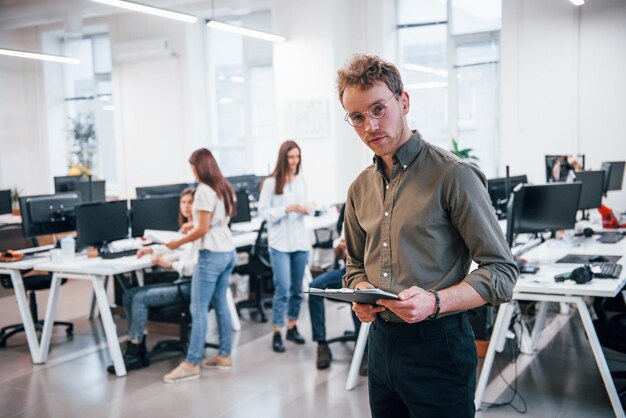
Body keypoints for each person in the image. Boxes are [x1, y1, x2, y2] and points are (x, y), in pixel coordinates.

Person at [337, 54, 518, 417]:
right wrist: (359, 293)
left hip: (439, 347)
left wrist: (434, 302)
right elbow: (355, 265)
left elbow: (501, 273)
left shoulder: (454, 176)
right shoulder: (359, 188)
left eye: (378, 109)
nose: (370, 125)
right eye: (357, 117)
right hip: (382, 346)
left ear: (403, 102)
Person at [162, 148, 237, 383]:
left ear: (199, 167)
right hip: (227, 250)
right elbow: (213, 221)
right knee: (221, 303)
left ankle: (191, 362)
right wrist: (192, 225)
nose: (191, 171)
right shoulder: (223, 187)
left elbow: (204, 229)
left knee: (198, 309)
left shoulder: (203, 190)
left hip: (211, 254)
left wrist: (177, 242)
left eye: (192, 166)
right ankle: (224, 355)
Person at [107, 187, 196, 374]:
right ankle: (137, 344)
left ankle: (134, 353)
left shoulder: (198, 231)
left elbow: (193, 265)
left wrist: (167, 265)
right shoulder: (186, 230)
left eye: (190, 202)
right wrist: (151, 250)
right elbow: (175, 246)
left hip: (189, 287)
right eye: (183, 202)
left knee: (140, 297)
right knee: (129, 295)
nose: (186, 207)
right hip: (182, 283)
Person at [258, 140, 310, 353]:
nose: (294, 161)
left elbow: (306, 202)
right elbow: (263, 212)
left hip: (300, 242)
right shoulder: (271, 183)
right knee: (283, 289)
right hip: (280, 244)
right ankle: (277, 331)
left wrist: (306, 208)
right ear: (283, 158)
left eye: (297, 157)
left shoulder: (301, 179)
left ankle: (292, 326)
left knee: (297, 290)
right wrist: (285, 209)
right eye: (290, 157)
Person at [308, 204, 366, 373]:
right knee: (315, 287)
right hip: (346, 271)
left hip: (367, 273)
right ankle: (321, 344)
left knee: (358, 293)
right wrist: (341, 248)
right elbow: (339, 256)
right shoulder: (346, 213)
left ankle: (363, 350)